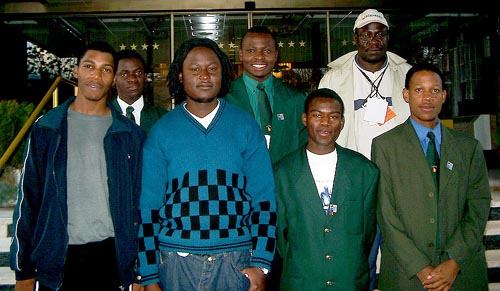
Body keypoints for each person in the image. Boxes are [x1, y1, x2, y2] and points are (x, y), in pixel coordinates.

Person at [137, 37, 277, 291]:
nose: (204, 76)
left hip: (236, 261)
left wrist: (262, 262)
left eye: (213, 68)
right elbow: (148, 210)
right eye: (194, 69)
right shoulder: (161, 132)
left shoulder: (245, 127)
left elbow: (265, 200)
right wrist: (149, 276)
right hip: (176, 262)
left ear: (224, 75)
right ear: (180, 76)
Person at [10, 41, 146, 291]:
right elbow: (28, 201)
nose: (96, 75)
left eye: (106, 69)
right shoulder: (47, 129)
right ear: (76, 71)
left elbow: (139, 205)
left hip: (112, 259)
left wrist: (138, 272)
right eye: (89, 66)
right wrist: (23, 270)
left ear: (113, 78)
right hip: (58, 258)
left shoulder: (129, 135)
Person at [372, 63, 491, 291]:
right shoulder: (385, 147)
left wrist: (454, 261)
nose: (427, 98)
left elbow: (478, 206)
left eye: (434, 90)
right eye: (419, 90)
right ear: (406, 95)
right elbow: (385, 213)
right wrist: (420, 267)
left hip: (460, 273)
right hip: (406, 274)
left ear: (444, 96)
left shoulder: (468, 148)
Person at [318, 9, 412, 289]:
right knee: (359, 256)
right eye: (366, 34)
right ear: (355, 38)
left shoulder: (407, 74)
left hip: (399, 179)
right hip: (353, 182)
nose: (373, 40)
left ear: (387, 37)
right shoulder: (333, 79)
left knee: (402, 252)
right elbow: (323, 132)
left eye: (379, 33)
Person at [274, 88, 379, 291]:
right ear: (305, 119)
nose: (325, 123)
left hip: (348, 280)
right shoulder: (282, 173)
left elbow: (368, 232)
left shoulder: (364, 170)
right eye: (317, 115)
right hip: (301, 281)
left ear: (342, 122)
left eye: (333, 117)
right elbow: (281, 239)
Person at [225, 25, 307, 164]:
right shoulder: (223, 99)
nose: (259, 57)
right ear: (241, 54)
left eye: (267, 51)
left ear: (276, 55)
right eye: (251, 50)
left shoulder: (297, 99)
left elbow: (304, 150)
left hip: (283, 182)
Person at [112, 49, 167, 134]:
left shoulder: (163, 118)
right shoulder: (103, 116)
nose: (133, 79)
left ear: (145, 77)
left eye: (138, 73)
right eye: (124, 74)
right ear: (114, 79)